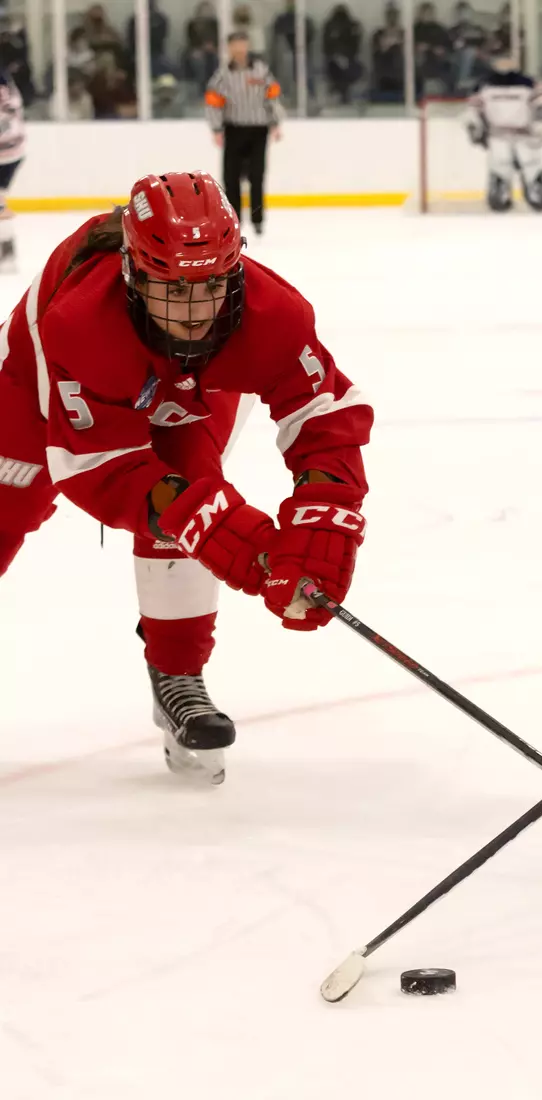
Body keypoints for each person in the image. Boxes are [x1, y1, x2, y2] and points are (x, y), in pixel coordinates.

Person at [0, 171, 372, 784]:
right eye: (172, 290)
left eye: (212, 287)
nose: (195, 312)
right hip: (35, 386)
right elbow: (98, 466)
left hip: (195, 388)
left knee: (195, 488)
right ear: (131, 276)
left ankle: (177, 677)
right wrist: (218, 528)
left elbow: (324, 411)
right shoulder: (80, 324)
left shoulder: (271, 312)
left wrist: (324, 515)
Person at [206, 31, 283, 236]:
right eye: (235, 45)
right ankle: (234, 220)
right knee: (231, 178)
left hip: (258, 129)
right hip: (234, 128)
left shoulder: (261, 71)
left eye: (243, 44)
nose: (240, 49)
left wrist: (275, 122)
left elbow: (272, 97)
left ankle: (258, 220)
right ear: (229, 48)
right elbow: (213, 103)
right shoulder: (222, 75)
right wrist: (216, 128)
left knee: (257, 175)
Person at [465, 54, 542, 212]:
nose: (504, 65)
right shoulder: (484, 84)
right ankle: (499, 196)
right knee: (500, 164)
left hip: (524, 133)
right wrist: (475, 127)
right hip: (498, 133)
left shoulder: (529, 83)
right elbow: (474, 108)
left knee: (531, 162)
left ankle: (537, 194)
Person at [0, 66, 21, 273]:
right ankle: (6, 249)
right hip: (15, 149)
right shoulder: (9, 84)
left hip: (4, 153)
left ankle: (7, 249)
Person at [322, 4, 363, 104]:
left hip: (350, 60)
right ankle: (341, 93)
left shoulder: (353, 26)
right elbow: (326, 47)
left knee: (351, 70)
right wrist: (337, 56)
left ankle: (342, 93)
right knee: (337, 70)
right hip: (333, 61)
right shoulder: (329, 26)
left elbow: (356, 47)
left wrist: (345, 57)